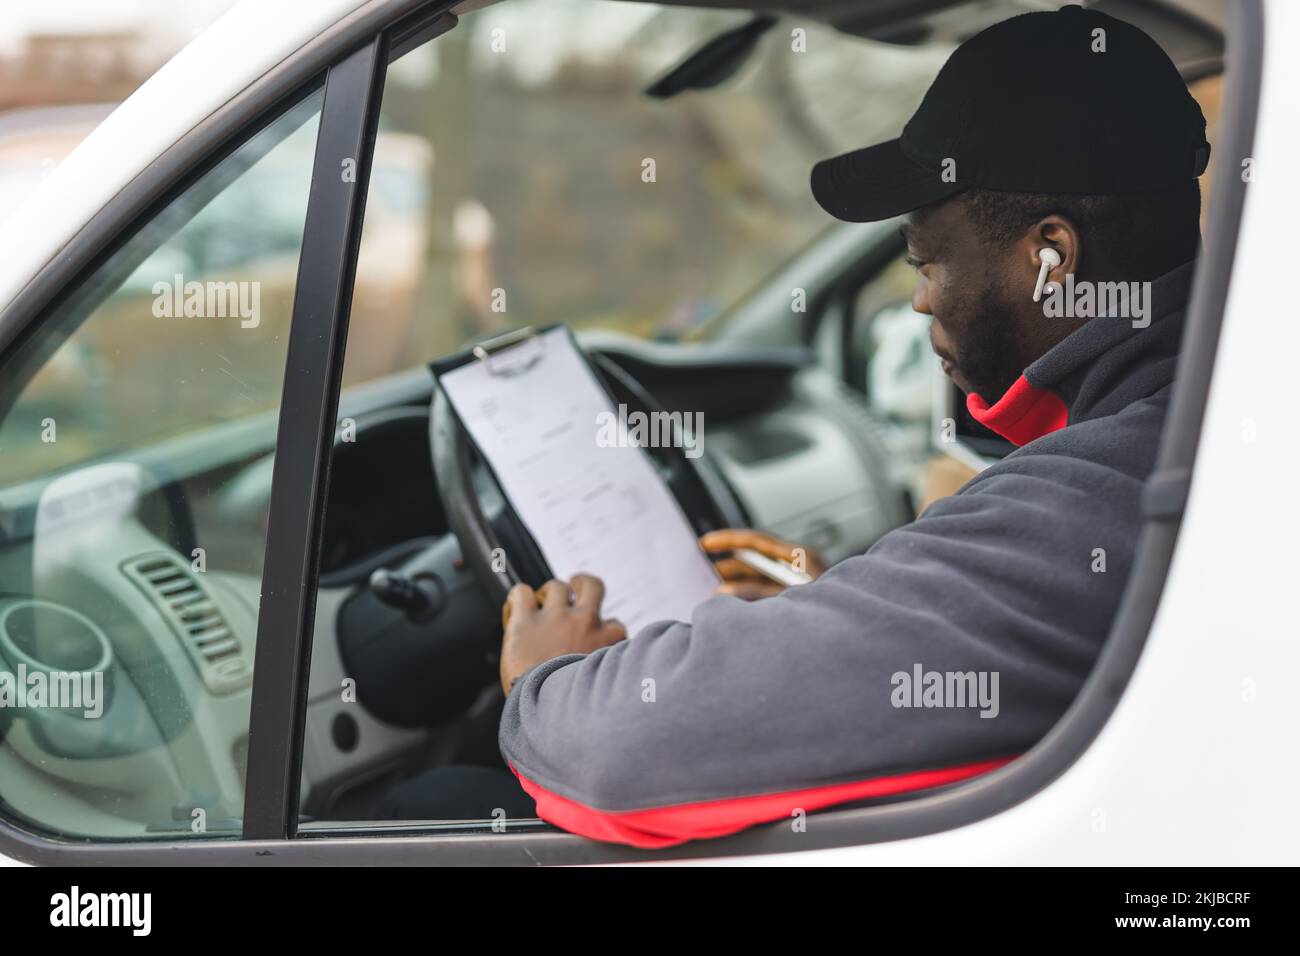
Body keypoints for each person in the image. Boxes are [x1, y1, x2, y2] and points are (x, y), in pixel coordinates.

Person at [384, 4, 1211, 846]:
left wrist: (549, 676)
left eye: (927, 263)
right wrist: (835, 608)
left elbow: (609, 757)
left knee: (429, 803)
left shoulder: (1099, 501)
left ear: (1050, 259)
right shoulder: (1188, 417)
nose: (920, 298)